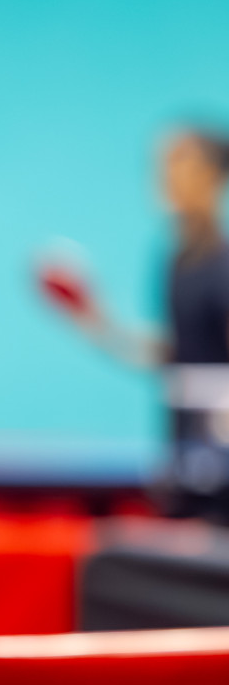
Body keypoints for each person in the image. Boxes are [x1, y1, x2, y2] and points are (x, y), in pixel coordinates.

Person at [40, 127, 229, 519]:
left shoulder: (223, 265)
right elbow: (174, 353)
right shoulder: (175, 260)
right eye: (161, 164)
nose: (166, 175)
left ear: (214, 176)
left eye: (180, 162)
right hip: (182, 459)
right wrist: (99, 327)